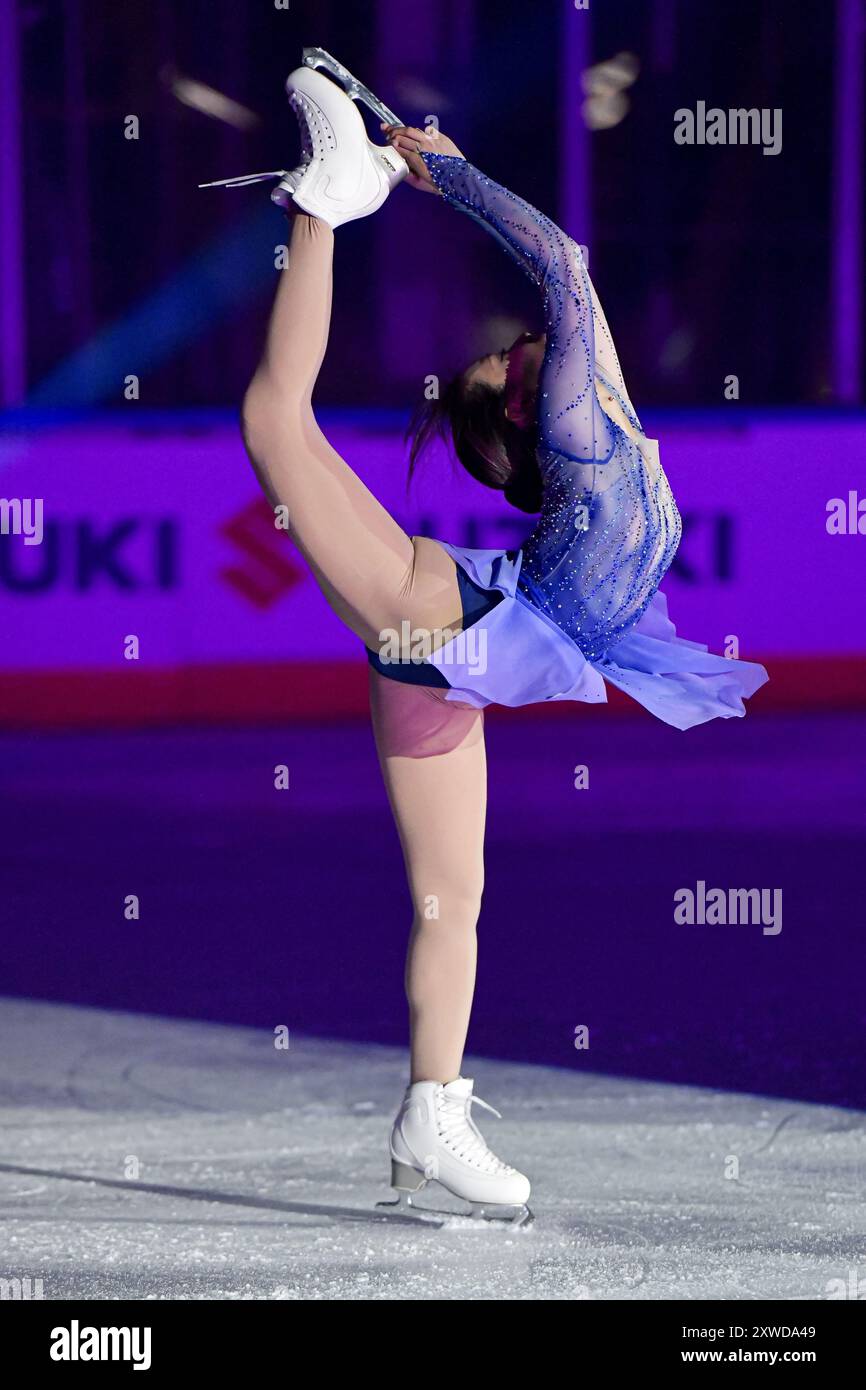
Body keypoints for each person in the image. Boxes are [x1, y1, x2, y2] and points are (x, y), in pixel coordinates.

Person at [229, 60, 768, 1223]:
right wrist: (452, 176)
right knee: (276, 422)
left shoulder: (595, 404)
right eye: (508, 356)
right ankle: (321, 203)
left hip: (457, 651)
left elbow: (572, 289)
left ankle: (433, 1111)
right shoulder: (575, 417)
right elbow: (565, 271)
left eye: (506, 350)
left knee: (450, 903)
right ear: (529, 401)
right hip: (445, 625)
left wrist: (445, 173)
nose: (521, 341)